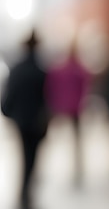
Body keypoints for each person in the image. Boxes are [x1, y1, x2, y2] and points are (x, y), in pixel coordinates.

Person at [1, 31, 49, 209]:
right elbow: (47, 99)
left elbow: (8, 96)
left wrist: (7, 112)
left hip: (21, 121)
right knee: (32, 157)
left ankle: (24, 191)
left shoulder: (17, 70)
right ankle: (26, 191)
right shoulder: (41, 71)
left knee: (25, 155)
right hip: (36, 121)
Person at [44, 37, 92, 184]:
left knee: (52, 138)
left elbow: (52, 86)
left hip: (63, 107)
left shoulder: (61, 69)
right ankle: (76, 168)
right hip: (73, 107)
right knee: (74, 139)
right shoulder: (78, 69)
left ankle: (49, 166)